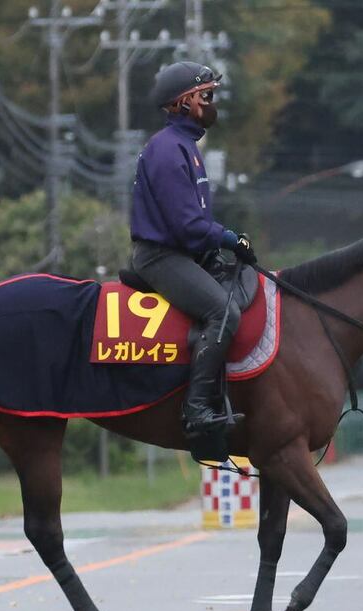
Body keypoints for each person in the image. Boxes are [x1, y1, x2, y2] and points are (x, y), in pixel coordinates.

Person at [129, 61, 256, 440]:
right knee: (222, 311)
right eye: (207, 96)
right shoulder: (168, 150)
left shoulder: (185, 145)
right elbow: (188, 226)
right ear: (184, 102)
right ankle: (197, 409)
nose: (212, 103)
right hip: (160, 257)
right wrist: (231, 239)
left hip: (185, 253)